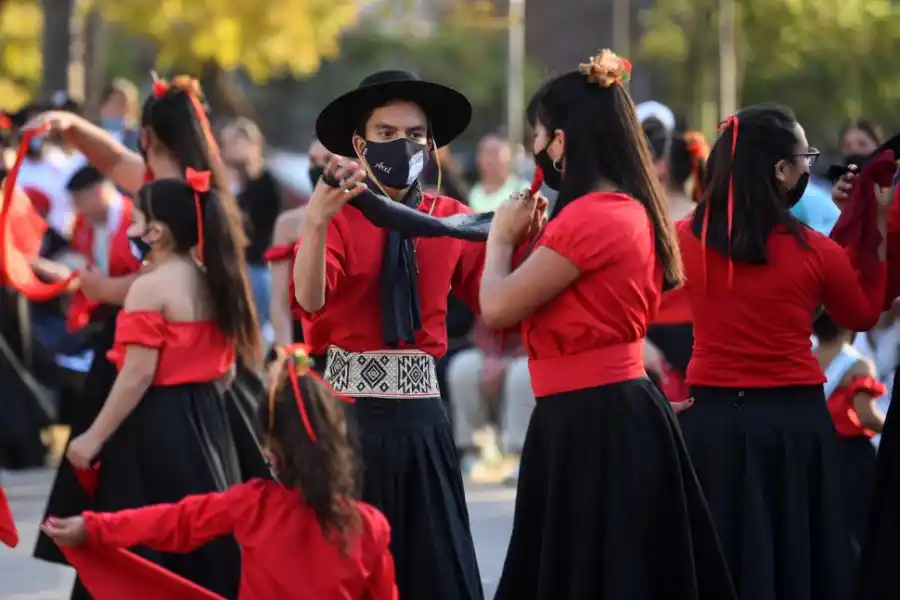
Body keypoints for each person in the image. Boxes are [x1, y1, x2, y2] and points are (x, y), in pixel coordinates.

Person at [480, 51, 735, 600]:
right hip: (591, 414)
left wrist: (501, 240)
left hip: (593, 418)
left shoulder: (595, 215)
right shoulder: (616, 209)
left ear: (562, 141)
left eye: (538, 134)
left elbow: (497, 308)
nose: (533, 148)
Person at [27, 75, 269, 600]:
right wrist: (69, 125)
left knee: (145, 524)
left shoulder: (180, 205)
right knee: (201, 524)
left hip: (156, 390)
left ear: (155, 140)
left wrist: (99, 287)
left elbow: (143, 351)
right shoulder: (193, 198)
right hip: (204, 398)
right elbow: (112, 158)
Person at [675, 103, 887, 600]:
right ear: (780, 169)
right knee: (797, 562)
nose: (809, 168)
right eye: (804, 157)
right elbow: (860, 313)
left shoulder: (685, 236)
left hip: (713, 422)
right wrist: (871, 229)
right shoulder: (814, 250)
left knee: (722, 564)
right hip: (793, 423)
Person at [293, 70, 484, 600]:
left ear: (431, 143)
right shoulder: (336, 212)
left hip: (422, 416)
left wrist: (519, 233)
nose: (402, 145)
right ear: (360, 143)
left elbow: (499, 301)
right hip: (346, 418)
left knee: (435, 573)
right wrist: (313, 223)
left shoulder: (452, 219)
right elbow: (309, 299)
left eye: (415, 134)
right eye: (385, 134)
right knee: (345, 575)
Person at [42, 345, 398, 600]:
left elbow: (173, 521)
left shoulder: (254, 505)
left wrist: (93, 527)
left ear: (272, 452)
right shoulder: (369, 527)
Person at [55, 171, 262, 598]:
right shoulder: (212, 277)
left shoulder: (149, 287)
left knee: (147, 541)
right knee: (205, 537)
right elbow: (223, 369)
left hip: (157, 426)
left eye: (135, 219)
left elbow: (137, 374)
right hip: (209, 419)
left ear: (157, 230)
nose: (130, 229)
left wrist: (92, 438)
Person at [812, 311, 885, 576]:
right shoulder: (858, 365)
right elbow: (866, 415)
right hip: (851, 458)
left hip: (816, 455)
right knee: (855, 529)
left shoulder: (806, 360)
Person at [644, 125, 709, 401]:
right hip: (697, 340)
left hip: (645, 340)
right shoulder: (706, 221)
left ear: (659, 166)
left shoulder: (641, 220)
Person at [446, 316, 533, 483]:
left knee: (522, 373)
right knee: (463, 366)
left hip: (533, 352)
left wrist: (509, 360)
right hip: (497, 352)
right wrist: (492, 357)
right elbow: (483, 325)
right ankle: (473, 452)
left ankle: (521, 455)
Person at [265, 138, 328, 350]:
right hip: (300, 340)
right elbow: (279, 299)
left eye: (327, 160)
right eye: (313, 160)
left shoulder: (366, 220)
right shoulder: (289, 223)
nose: (318, 167)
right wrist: (287, 352)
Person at [221, 118, 282, 329]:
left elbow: (260, 231)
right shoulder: (222, 181)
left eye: (235, 142)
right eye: (226, 143)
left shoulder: (265, 183)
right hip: (225, 263)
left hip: (253, 266)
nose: (228, 148)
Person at [468, 134, 528, 212]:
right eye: (486, 153)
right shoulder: (473, 194)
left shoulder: (521, 190)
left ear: (509, 156)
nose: (489, 160)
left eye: (495, 153)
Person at [98, 79, 141, 151]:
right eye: (117, 104)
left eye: (126, 106)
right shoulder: (90, 135)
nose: (122, 111)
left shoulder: (137, 138)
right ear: (103, 107)